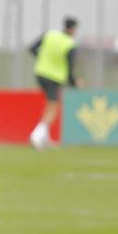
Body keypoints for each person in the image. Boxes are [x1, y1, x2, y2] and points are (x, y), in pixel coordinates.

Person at [27, 16, 79, 149]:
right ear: (73, 29)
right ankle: (36, 135)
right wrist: (73, 82)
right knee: (53, 107)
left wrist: (43, 58)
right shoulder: (70, 44)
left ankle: (45, 138)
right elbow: (70, 66)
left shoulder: (50, 34)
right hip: (54, 78)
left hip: (40, 73)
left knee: (49, 104)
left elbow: (32, 48)